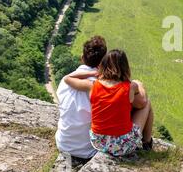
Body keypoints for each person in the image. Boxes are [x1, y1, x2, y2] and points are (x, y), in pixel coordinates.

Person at [64, 49, 154, 157]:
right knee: (147, 103)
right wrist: (139, 85)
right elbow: (142, 103)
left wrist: (93, 73)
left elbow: (67, 78)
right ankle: (147, 143)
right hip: (123, 146)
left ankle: (143, 142)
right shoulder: (130, 87)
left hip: (98, 142)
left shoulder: (93, 85)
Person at [55, 36, 107, 164]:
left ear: (82, 58)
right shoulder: (103, 87)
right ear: (104, 62)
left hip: (63, 144)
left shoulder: (64, 81)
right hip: (88, 150)